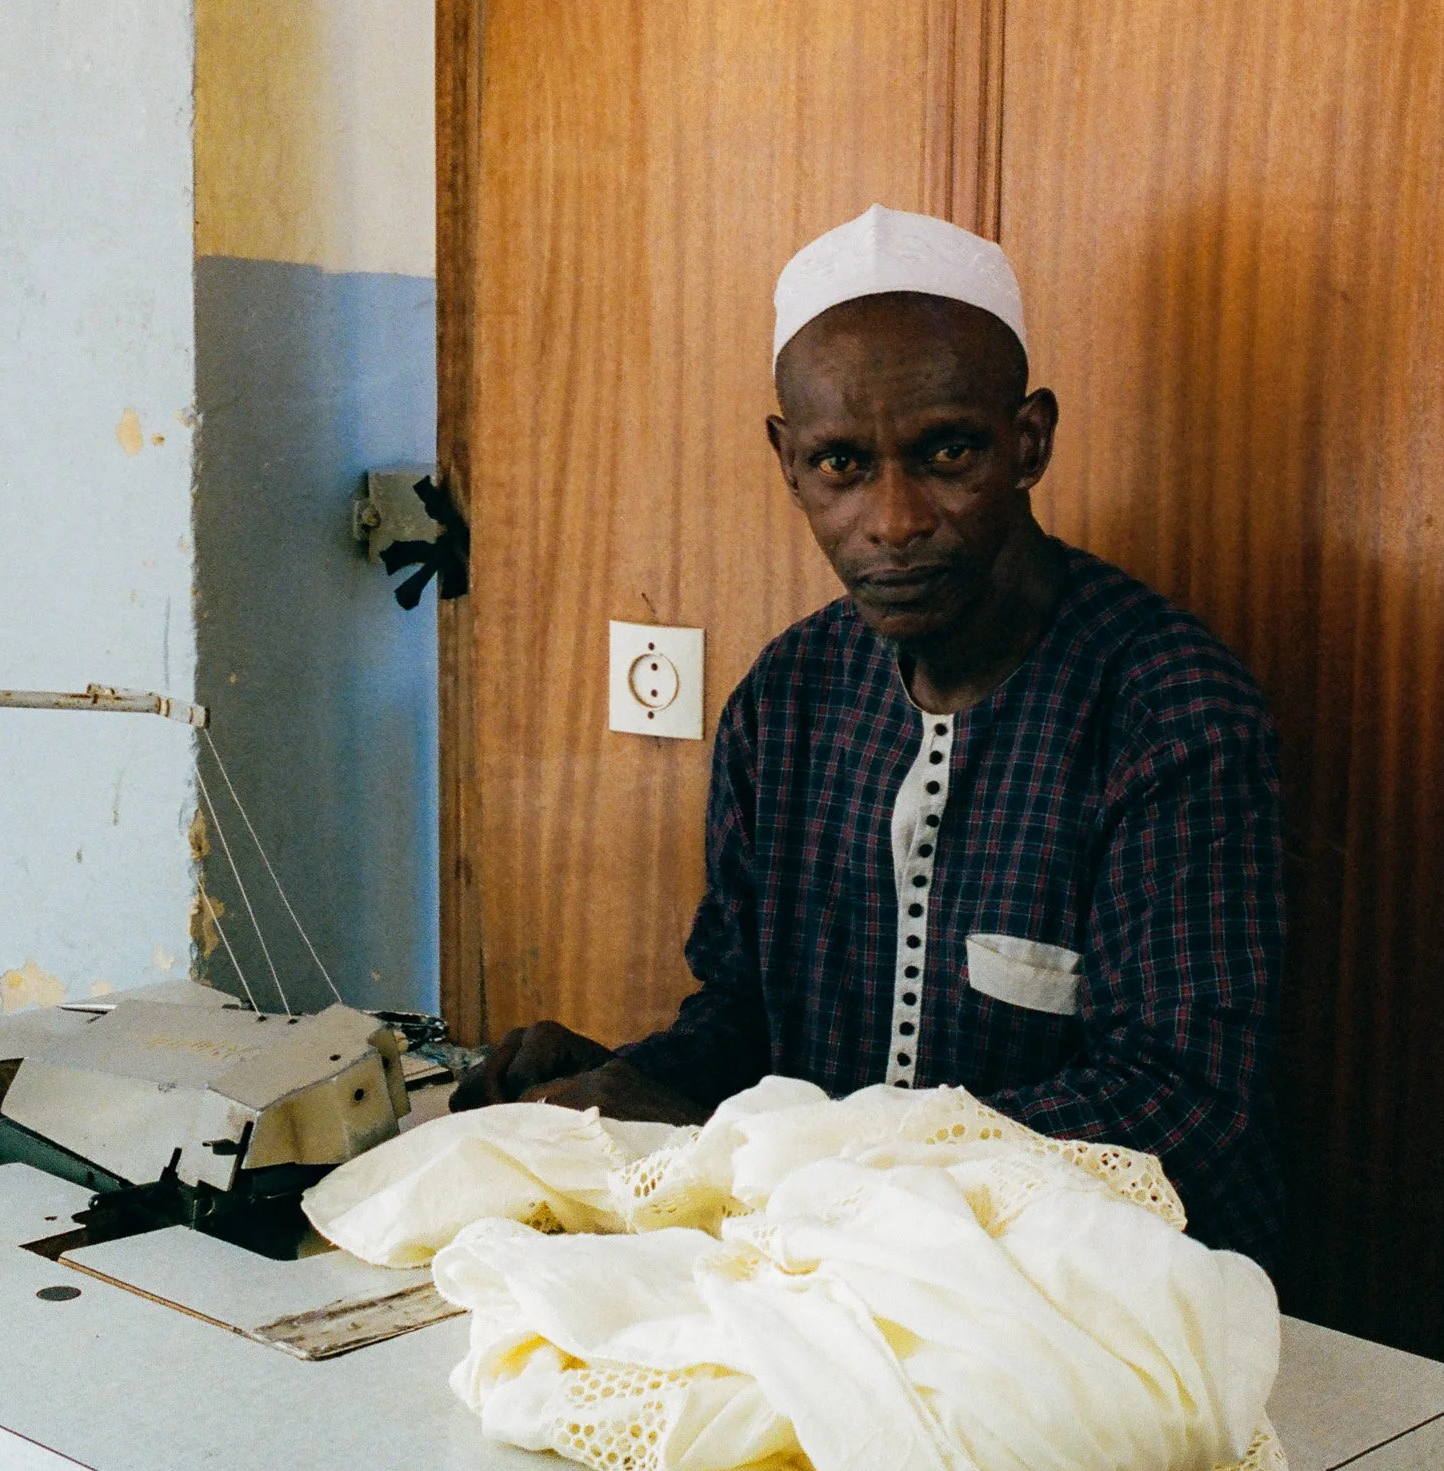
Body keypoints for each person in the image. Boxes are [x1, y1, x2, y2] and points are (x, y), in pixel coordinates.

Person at [454, 205, 1287, 1262]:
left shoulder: (1167, 712)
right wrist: (628, 1082)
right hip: (823, 1269)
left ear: (1028, 442)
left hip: (1100, 1298)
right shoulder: (787, 699)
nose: (893, 520)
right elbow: (746, 1014)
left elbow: (1182, 1104)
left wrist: (808, 1158)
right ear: (787, 462)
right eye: (841, 464)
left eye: (947, 452)